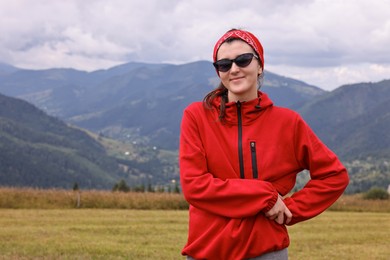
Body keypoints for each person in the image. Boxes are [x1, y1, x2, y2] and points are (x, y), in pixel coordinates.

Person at [179, 28, 349, 260]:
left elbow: (334, 176)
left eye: (243, 59)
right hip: (207, 251)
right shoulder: (196, 116)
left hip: (266, 251)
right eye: (224, 64)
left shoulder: (288, 123)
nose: (234, 69)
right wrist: (266, 196)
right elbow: (194, 186)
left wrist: (290, 209)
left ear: (260, 66)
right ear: (218, 71)